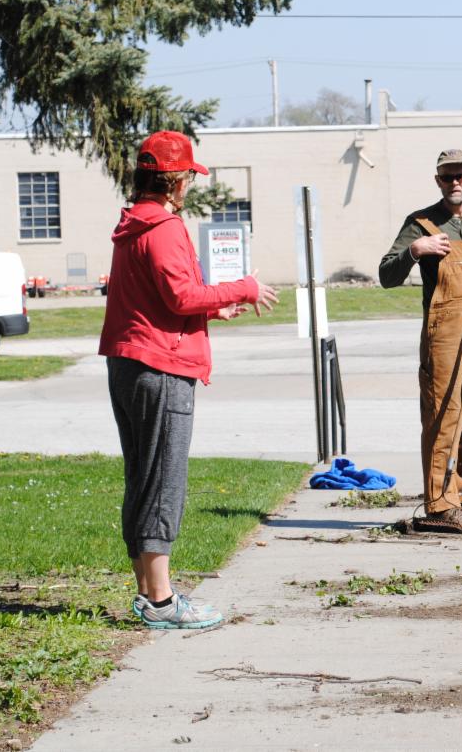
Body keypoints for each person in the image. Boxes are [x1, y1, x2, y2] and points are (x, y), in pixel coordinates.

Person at [99, 130, 278, 629]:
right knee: (163, 480)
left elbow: (158, 299)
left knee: (142, 476)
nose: (189, 188)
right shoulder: (165, 227)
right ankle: (161, 601)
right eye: (188, 179)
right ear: (175, 181)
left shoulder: (133, 225)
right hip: (161, 368)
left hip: (129, 362)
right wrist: (243, 286)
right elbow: (180, 296)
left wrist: (213, 310)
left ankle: (147, 591)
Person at [378, 149, 462, 533]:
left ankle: (459, 495)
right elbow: (386, 275)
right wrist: (414, 251)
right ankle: (439, 505)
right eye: (447, 177)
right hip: (444, 333)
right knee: (443, 414)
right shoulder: (421, 223)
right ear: (437, 180)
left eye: (461, 176)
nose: (455, 182)